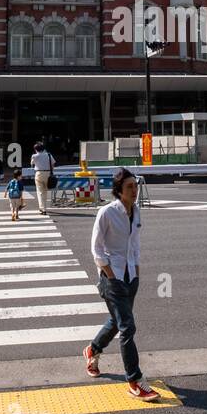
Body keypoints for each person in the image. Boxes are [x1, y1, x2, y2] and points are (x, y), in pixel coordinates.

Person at [84, 169, 158, 401]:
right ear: (118, 190)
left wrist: (136, 271)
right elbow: (96, 247)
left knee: (117, 322)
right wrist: (108, 273)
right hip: (112, 277)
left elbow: (134, 244)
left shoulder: (135, 212)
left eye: (135, 186)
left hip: (130, 277)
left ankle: (93, 349)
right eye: (129, 187)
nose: (134, 191)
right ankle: (134, 380)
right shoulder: (106, 212)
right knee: (127, 326)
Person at [31, 142, 54, 214]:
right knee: (45, 191)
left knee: (40, 191)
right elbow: (53, 164)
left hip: (39, 173)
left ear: (35, 149)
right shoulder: (49, 155)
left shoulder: (34, 156)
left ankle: (42, 208)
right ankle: (44, 207)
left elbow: (32, 164)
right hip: (48, 173)